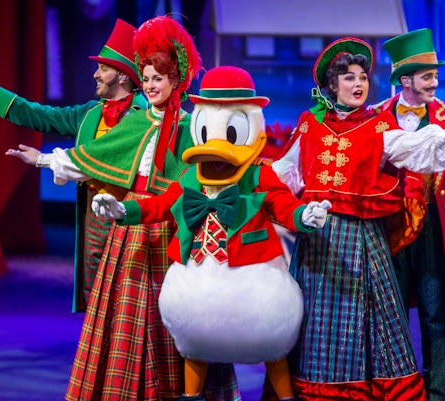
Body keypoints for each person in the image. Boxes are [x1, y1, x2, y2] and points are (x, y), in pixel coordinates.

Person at [10, 16, 239, 401]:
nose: (149, 86)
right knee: (128, 313)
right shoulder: (136, 122)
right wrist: (44, 160)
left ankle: (178, 389)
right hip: (131, 228)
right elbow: (94, 155)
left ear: (175, 80)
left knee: (177, 312)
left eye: (157, 78)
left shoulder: (189, 125)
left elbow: (206, 175)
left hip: (171, 227)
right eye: (145, 78)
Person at [91, 65, 332, 401]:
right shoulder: (191, 177)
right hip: (199, 281)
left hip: (252, 282)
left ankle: (285, 397)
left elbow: (282, 205)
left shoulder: (259, 176)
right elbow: (160, 206)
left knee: (271, 344)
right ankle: (191, 397)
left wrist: (304, 215)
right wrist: (122, 210)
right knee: (195, 343)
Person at [270, 37, 445, 401]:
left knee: (366, 318)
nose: (358, 84)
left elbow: (417, 148)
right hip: (318, 240)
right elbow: (282, 175)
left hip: (362, 238)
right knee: (316, 317)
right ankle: (314, 387)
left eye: (363, 77)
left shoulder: (379, 125)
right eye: (349, 77)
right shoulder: (310, 125)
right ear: (332, 85)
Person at [0, 19, 148, 313]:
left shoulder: (144, 115)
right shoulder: (89, 113)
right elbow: (45, 116)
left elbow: (105, 160)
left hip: (132, 211)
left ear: (123, 75)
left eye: (103, 69)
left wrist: (43, 159)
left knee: (130, 289)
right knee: (96, 288)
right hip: (94, 212)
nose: (95, 74)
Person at [374, 28, 445, 401]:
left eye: (435, 76)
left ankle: (435, 391)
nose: (434, 83)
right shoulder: (375, 117)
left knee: (434, 313)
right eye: (427, 76)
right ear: (406, 80)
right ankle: (400, 386)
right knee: (394, 311)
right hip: (390, 223)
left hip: (433, 222)